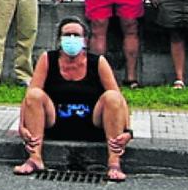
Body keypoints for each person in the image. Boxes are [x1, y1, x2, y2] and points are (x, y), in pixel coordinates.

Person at [13, 17, 134, 181]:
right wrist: (21, 126)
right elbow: (29, 96)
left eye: (76, 35)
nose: (71, 39)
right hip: (55, 122)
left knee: (111, 96)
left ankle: (114, 162)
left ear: (85, 40)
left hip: (92, 123)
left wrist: (128, 131)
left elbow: (119, 100)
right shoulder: (47, 59)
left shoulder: (98, 62)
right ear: (59, 39)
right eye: (67, 35)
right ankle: (34, 158)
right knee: (35, 94)